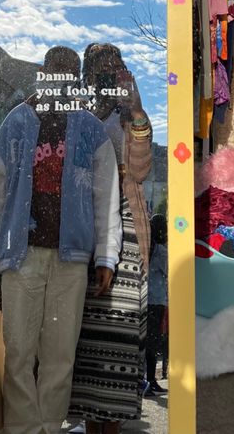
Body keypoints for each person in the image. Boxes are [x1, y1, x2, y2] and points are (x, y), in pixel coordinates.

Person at [0, 46, 121, 434]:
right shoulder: (16, 122)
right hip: (22, 253)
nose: (62, 78)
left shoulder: (90, 130)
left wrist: (106, 256)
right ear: (44, 73)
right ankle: (21, 428)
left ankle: (49, 425)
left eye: (69, 72)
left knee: (60, 354)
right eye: (55, 71)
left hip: (72, 257)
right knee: (18, 351)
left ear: (77, 78)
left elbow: (106, 194)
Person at [69, 43, 153, 434]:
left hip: (129, 230)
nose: (106, 74)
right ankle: (89, 425)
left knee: (120, 335)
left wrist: (134, 110)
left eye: (113, 66)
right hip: (86, 228)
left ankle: (114, 426)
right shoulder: (78, 113)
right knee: (86, 341)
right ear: (89, 73)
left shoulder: (129, 118)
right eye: (99, 68)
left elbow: (141, 171)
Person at [144, 213, 168, 397]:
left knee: (148, 342)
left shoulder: (148, 248)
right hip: (158, 301)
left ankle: (147, 379)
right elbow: (169, 271)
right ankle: (151, 381)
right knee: (154, 341)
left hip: (146, 300)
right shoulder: (160, 251)